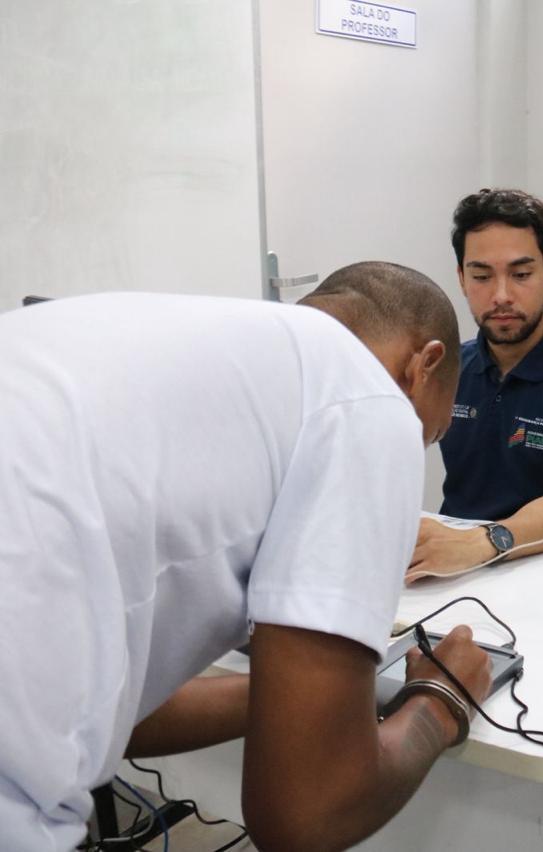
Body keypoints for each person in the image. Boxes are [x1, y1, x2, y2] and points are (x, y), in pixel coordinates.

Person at [0, 263, 493, 852]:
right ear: (422, 367)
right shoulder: (370, 397)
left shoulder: (172, 342)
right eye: (427, 436)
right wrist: (443, 701)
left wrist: (312, 699)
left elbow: (111, 713)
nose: (414, 446)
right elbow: (305, 813)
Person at [410, 189, 543, 578]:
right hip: (455, 571)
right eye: (481, 276)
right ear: (461, 278)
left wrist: (481, 543)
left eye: (521, 274)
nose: (501, 296)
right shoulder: (448, 367)